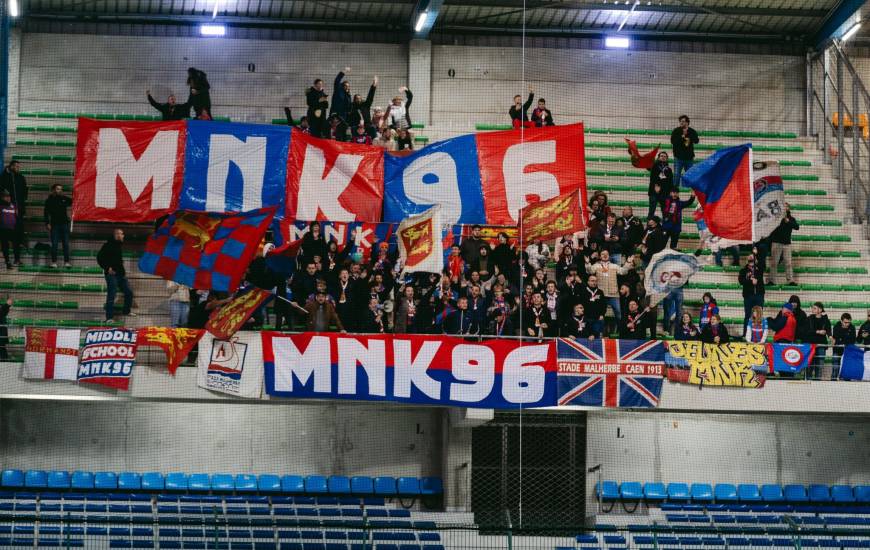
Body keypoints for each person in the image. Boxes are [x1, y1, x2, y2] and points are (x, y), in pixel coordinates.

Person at [585, 250, 633, 326]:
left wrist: (628, 262)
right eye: (602, 254)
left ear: (609, 256)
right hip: (601, 295)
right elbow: (589, 271)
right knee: (600, 315)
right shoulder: (596, 266)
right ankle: (601, 333)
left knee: (618, 314)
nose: (604, 255)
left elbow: (623, 272)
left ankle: (622, 331)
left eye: (606, 254)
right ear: (600, 256)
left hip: (613, 294)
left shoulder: (614, 266)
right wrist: (587, 263)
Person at [97, 228, 135, 322]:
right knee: (111, 295)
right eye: (119, 234)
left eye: (122, 234)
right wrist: (107, 268)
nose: (122, 236)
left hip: (120, 275)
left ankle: (126, 311)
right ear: (115, 235)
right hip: (111, 275)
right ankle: (109, 318)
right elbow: (99, 257)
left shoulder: (118, 246)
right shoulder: (108, 245)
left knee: (129, 292)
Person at [0, 161, 27, 265]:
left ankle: (17, 259)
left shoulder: (20, 178)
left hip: (18, 210)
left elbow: (25, 191)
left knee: (17, 237)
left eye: (19, 166)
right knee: (5, 241)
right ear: (11, 166)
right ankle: (7, 261)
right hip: (5, 216)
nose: (18, 168)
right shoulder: (4, 177)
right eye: (16, 166)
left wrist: (19, 205)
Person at [768, 204, 799, 286]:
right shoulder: (777, 217)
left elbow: (797, 227)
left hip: (787, 244)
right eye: (784, 206)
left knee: (788, 263)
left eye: (787, 206)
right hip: (776, 243)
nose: (785, 208)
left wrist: (788, 222)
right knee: (774, 262)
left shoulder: (791, 219)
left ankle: (790, 280)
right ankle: (772, 280)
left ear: (789, 209)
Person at [43, 183, 72, 268]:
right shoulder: (49, 200)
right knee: (54, 244)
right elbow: (45, 213)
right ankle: (54, 262)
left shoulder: (64, 199)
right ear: (53, 190)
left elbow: (73, 201)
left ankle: (66, 262)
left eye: (61, 189)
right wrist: (47, 223)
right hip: (54, 225)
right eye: (58, 189)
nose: (60, 190)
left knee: (66, 244)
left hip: (65, 224)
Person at [670, 115, 699, 188]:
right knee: (676, 175)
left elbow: (696, 141)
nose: (681, 123)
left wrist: (689, 135)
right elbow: (673, 141)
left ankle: (691, 191)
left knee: (690, 175)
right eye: (680, 121)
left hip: (689, 158)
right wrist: (682, 136)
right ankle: (674, 191)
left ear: (687, 122)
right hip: (678, 158)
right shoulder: (676, 131)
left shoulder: (692, 131)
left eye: (683, 121)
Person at [805, 302, 831, 378]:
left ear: (820, 309)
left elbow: (828, 330)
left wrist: (830, 336)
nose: (812, 310)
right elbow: (806, 331)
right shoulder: (809, 318)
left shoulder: (825, 320)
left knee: (819, 365)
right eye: (812, 308)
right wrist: (818, 331)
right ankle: (808, 380)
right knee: (810, 365)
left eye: (814, 308)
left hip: (821, 345)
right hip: (811, 345)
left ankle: (818, 381)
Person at [738, 255, 765, 325]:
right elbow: (741, 281)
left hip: (759, 296)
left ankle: (758, 333)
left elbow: (761, 268)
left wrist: (755, 255)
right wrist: (750, 281)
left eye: (752, 259)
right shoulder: (743, 270)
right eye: (749, 259)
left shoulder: (759, 269)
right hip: (748, 296)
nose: (751, 260)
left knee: (759, 315)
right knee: (747, 315)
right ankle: (746, 333)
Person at [648, 152, 673, 219]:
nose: (663, 157)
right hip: (654, 192)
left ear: (667, 159)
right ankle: (649, 228)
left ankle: (665, 227)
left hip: (664, 193)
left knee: (665, 212)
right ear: (658, 157)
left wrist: (670, 191)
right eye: (661, 156)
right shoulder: (654, 166)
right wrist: (656, 185)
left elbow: (670, 182)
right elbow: (652, 177)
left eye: (665, 156)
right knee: (651, 211)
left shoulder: (669, 169)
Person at [0, 189, 20, 269]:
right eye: (6, 197)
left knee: (16, 243)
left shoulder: (13, 205)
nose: (8, 198)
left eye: (9, 197)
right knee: (5, 246)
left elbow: (16, 217)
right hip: (3, 229)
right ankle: (8, 262)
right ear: (2, 197)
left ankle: (17, 259)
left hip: (13, 229)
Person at [0, 295, 9, 360]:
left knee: (2, 346)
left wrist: (7, 306)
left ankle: (4, 359)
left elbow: (4, 313)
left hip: (2, 330)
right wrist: (7, 305)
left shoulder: (1, 305)